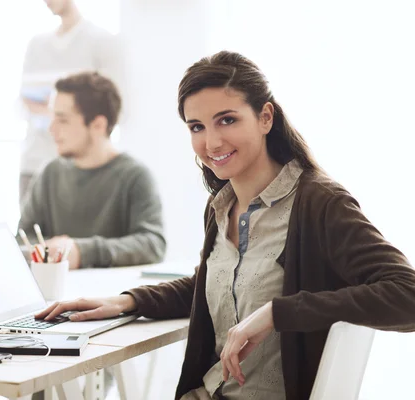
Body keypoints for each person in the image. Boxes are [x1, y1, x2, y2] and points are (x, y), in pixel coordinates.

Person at [35, 51, 415, 399]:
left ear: (266, 117)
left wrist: (276, 313)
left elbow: (407, 295)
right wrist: (126, 301)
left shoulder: (318, 203)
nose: (211, 141)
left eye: (227, 120)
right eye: (196, 127)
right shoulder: (222, 205)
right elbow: (213, 283)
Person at [18, 71, 166, 269]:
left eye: (62, 120)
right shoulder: (49, 174)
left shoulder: (135, 176)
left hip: (112, 296)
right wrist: (50, 251)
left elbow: (153, 244)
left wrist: (81, 251)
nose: (51, 128)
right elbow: (22, 239)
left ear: (98, 124)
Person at [18, 0, 123, 206]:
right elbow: (23, 101)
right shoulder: (36, 44)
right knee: (30, 236)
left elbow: (116, 108)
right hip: (34, 161)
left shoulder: (101, 41)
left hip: (81, 168)